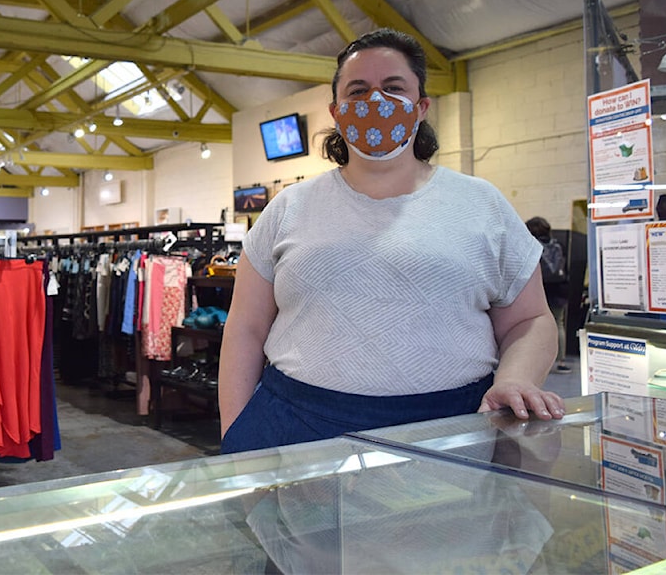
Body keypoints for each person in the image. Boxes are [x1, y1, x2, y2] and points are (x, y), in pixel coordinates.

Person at [218, 28, 564, 455]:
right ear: (336, 111)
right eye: (358, 90)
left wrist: (517, 378)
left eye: (393, 88)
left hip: (451, 428)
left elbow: (530, 321)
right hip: (297, 427)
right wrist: (235, 434)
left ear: (421, 107)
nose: (375, 101)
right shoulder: (287, 208)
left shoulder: (481, 205)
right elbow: (245, 330)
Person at [525, 216, 571, 374]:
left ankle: (535, 360)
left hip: (540, 289)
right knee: (559, 324)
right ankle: (561, 361)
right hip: (559, 289)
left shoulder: (531, 246)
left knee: (534, 324)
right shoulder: (558, 245)